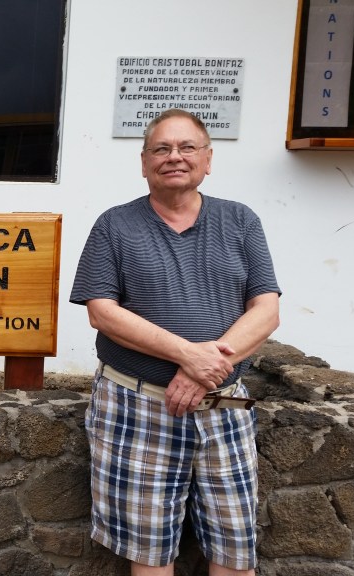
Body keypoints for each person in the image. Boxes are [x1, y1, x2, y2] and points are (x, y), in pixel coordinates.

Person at [69, 108, 280, 576]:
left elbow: (266, 311)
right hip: (136, 405)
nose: (174, 157)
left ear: (208, 159)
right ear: (144, 163)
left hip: (223, 405)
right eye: (161, 149)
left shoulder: (240, 221)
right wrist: (188, 355)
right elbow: (102, 312)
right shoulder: (114, 226)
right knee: (149, 555)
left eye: (187, 147)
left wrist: (206, 368)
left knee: (234, 550)